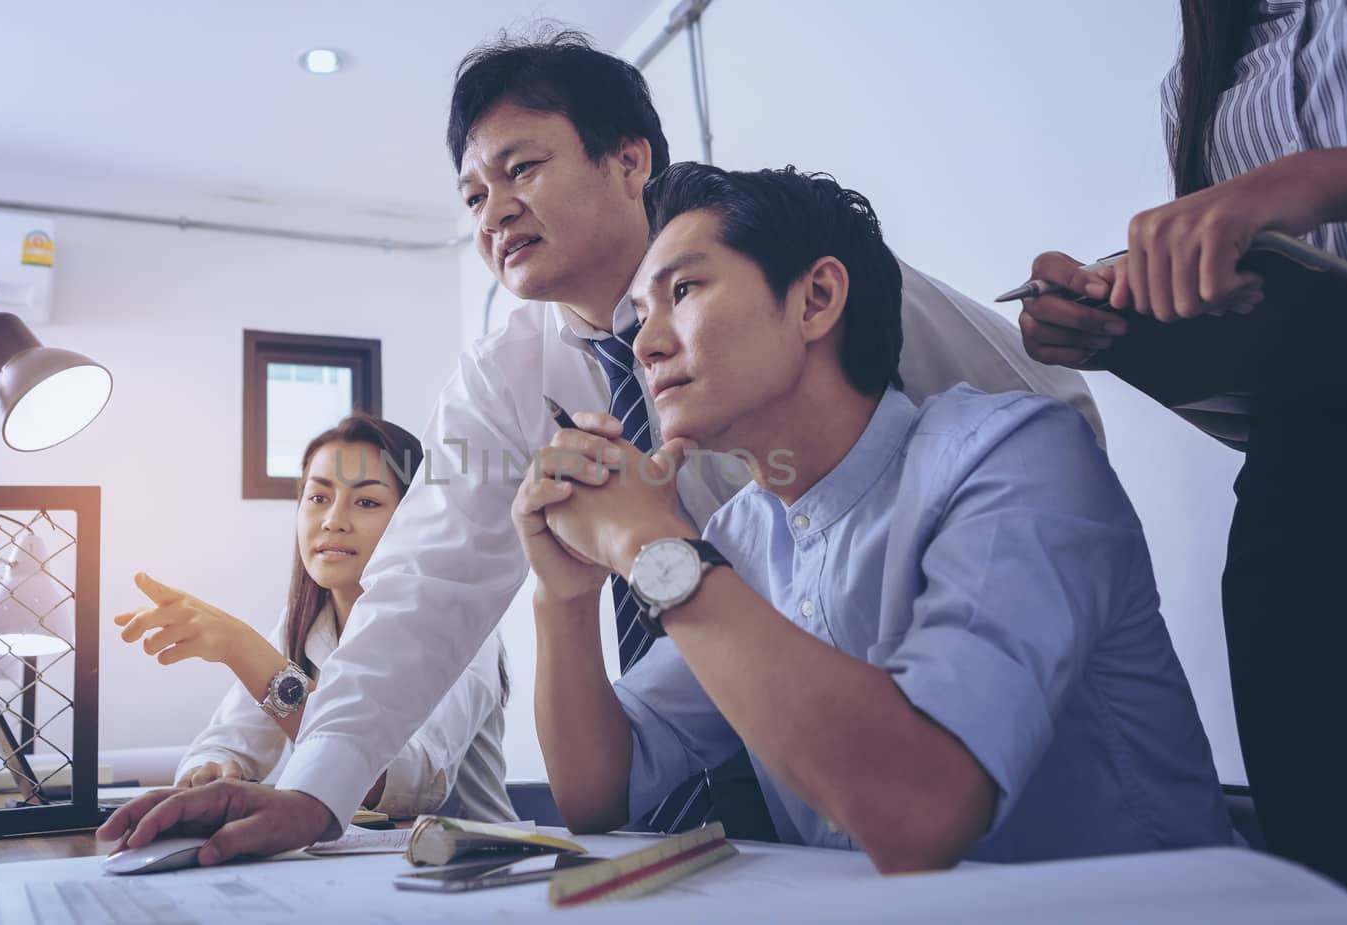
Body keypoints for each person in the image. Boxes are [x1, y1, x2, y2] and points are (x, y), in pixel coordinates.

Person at [99, 30, 1105, 863]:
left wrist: (977, 645)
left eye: (521, 168)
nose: (493, 210)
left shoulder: (796, 264)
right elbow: (422, 596)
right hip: (768, 772)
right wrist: (314, 794)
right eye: (472, 196)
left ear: (629, 160)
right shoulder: (516, 383)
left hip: (978, 756)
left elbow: (1039, 417)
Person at [515, 161, 1234, 870]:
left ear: (817, 297)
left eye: (685, 289)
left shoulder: (1015, 454)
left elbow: (922, 806)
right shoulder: (740, 532)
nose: (643, 343)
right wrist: (565, 595)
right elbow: (600, 790)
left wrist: (652, 545)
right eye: (640, 315)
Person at [1013, 0, 1347, 890]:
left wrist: (1321, 179)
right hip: (1307, 489)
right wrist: (1123, 327)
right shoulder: (1200, 80)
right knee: (1323, 850)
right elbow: (1260, 340)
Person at [112, 414, 516, 825]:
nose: (333, 520)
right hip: (348, 866)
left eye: (367, 502)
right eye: (318, 498)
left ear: (415, 520)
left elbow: (411, 785)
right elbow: (227, 742)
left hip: (474, 869)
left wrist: (243, 651)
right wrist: (214, 769)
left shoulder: (460, 623)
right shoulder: (306, 621)